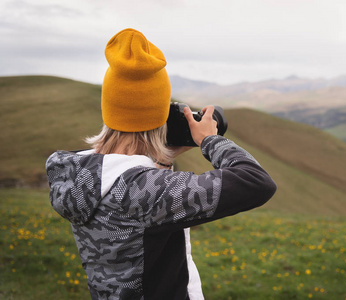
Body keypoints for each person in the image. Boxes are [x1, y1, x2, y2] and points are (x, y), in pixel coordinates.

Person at [45, 28, 277, 300]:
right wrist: (209, 140)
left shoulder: (79, 173)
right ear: (158, 118)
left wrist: (160, 159)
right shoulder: (145, 192)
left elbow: (138, 197)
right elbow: (257, 182)